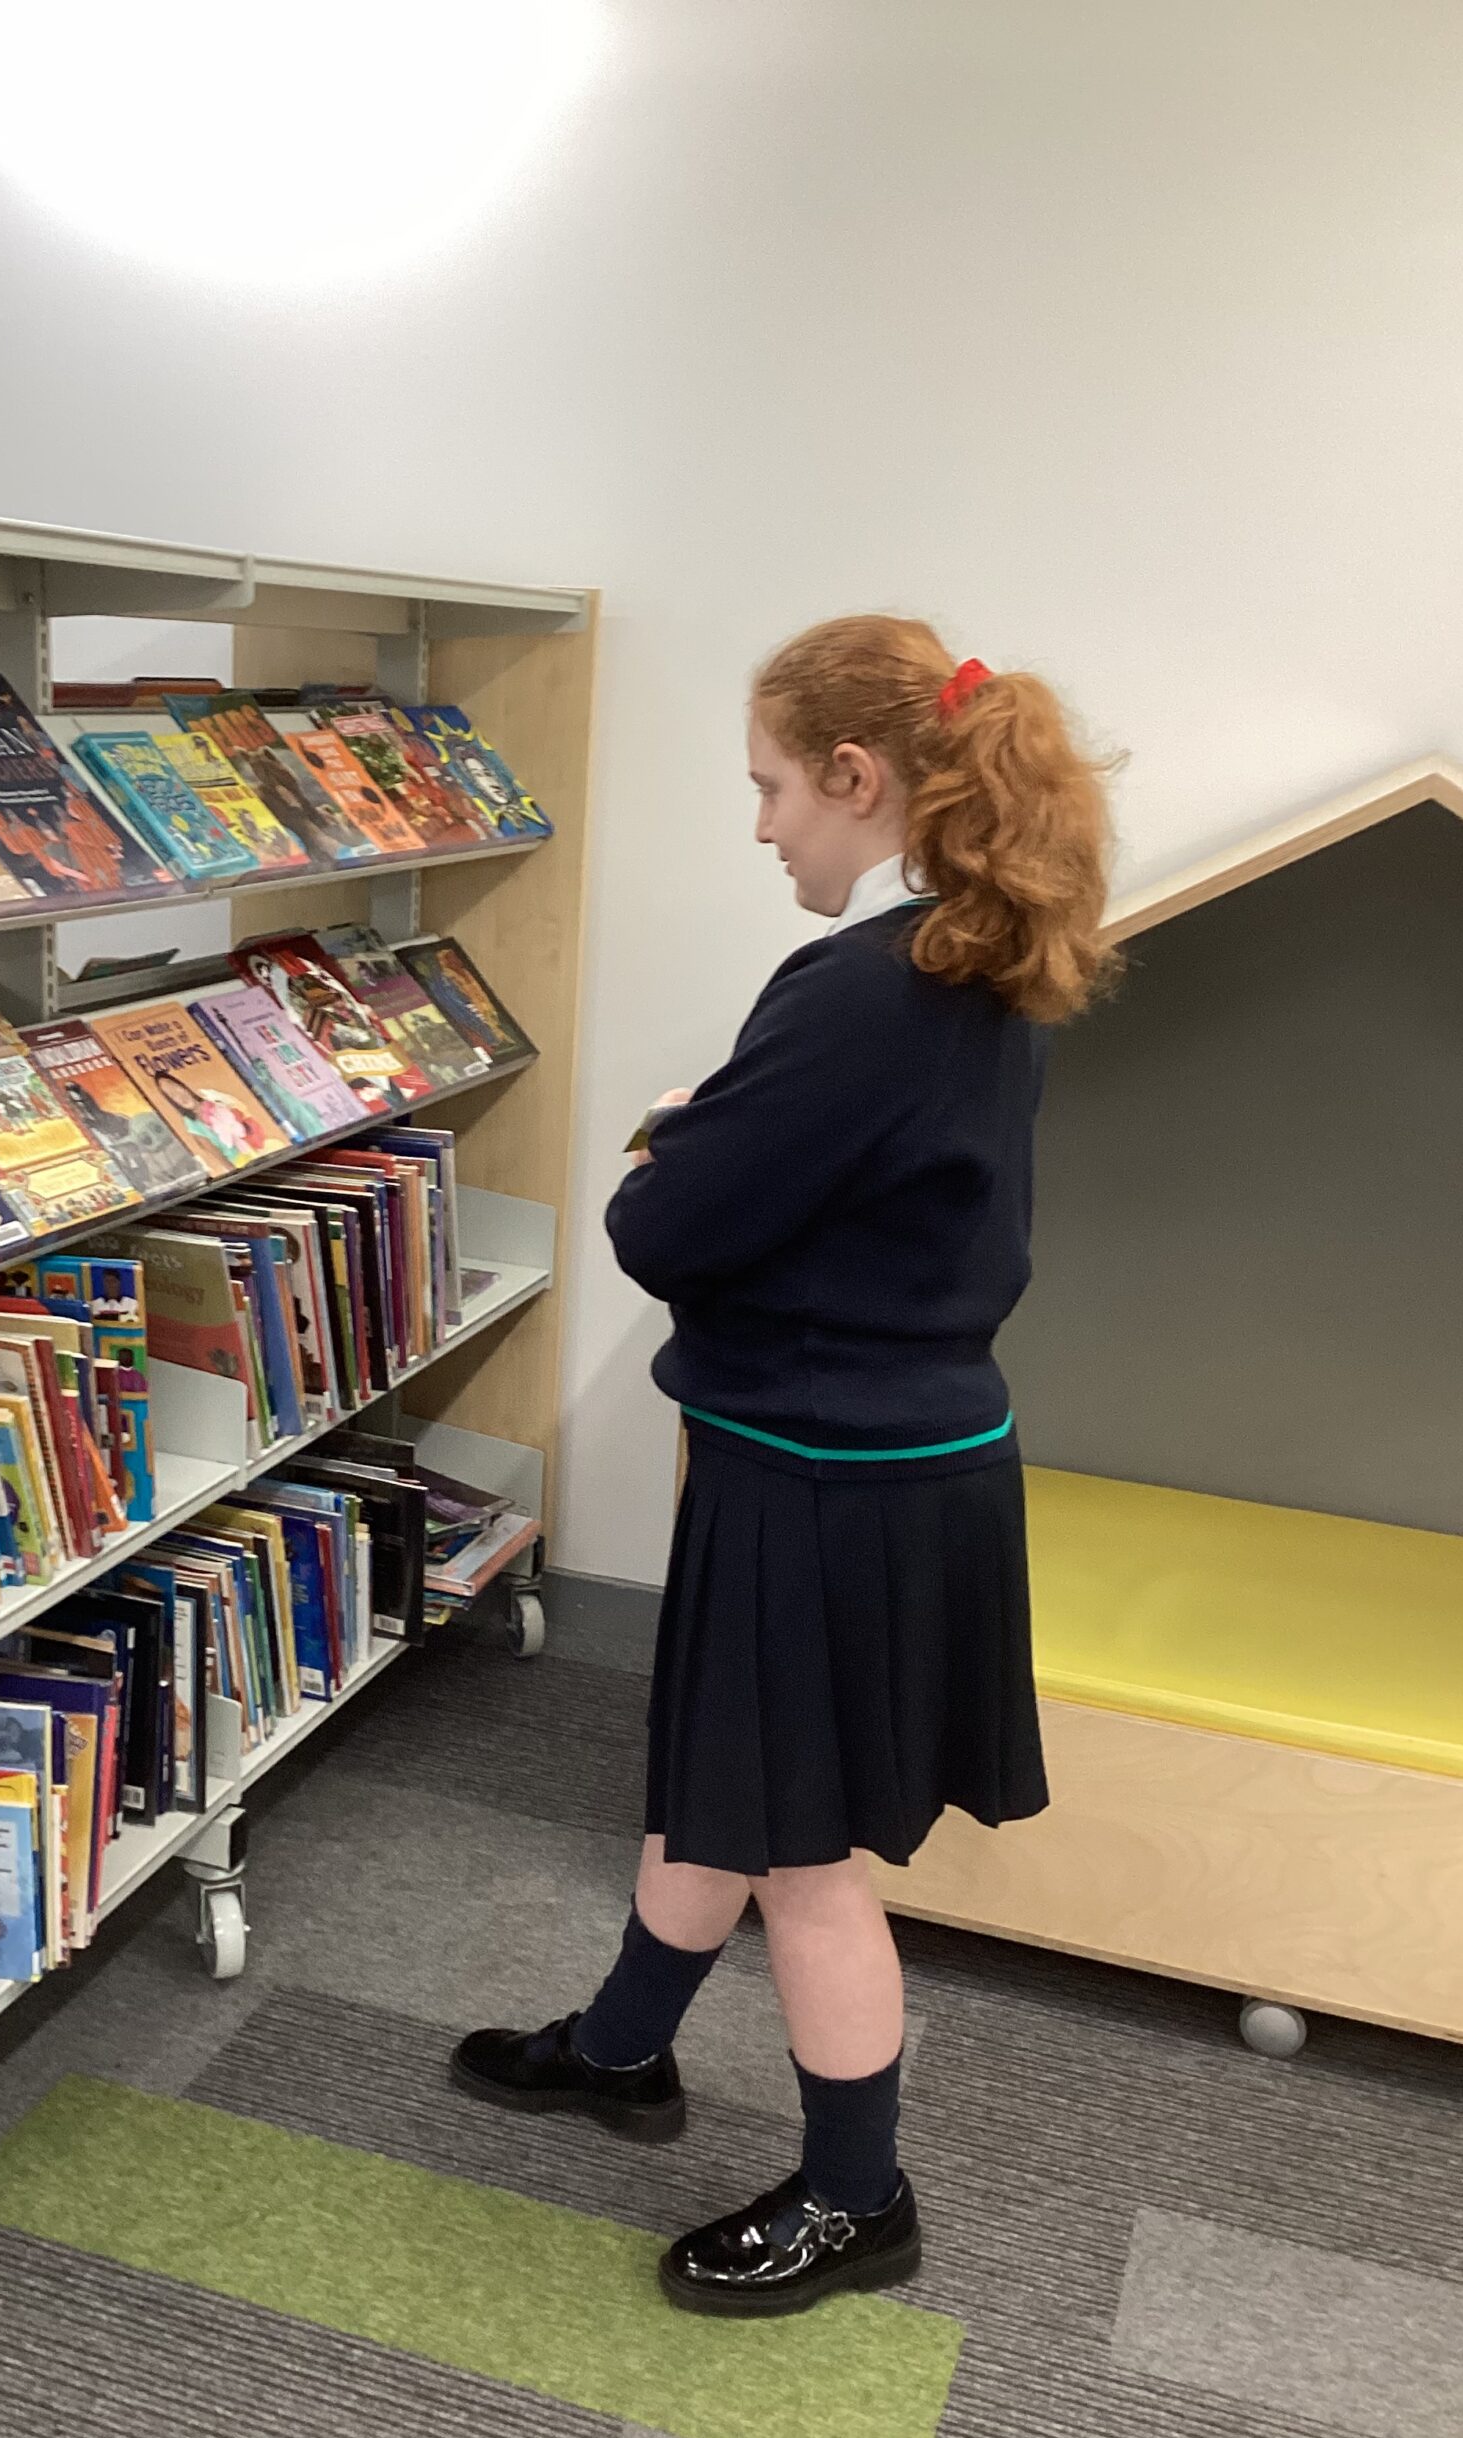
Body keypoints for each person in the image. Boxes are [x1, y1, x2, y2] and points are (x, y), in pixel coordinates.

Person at [452, 614, 1114, 2317]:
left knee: (804, 1859)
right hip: (884, 1451)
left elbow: (670, 1230)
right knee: (720, 1784)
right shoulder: (979, 955)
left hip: (830, 1477)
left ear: (856, 776)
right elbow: (866, 1183)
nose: (761, 829)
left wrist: (671, 1148)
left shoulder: (866, 986)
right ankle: (622, 2047)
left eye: (770, 789)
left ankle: (857, 2195)